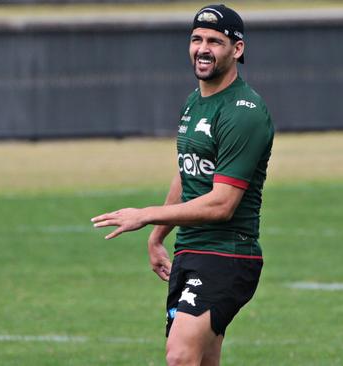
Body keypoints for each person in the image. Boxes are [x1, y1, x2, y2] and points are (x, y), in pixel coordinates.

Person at [91, 4, 274, 365]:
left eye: (214, 41)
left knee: (179, 356)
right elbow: (187, 173)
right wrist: (158, 236)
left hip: (227, 255)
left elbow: (222, 204)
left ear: (236, 50)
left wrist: (145, 214)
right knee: (202, 360)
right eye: (196, 39)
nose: (202, 48)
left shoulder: (243, 112)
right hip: (190, 251)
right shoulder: (194, 102)